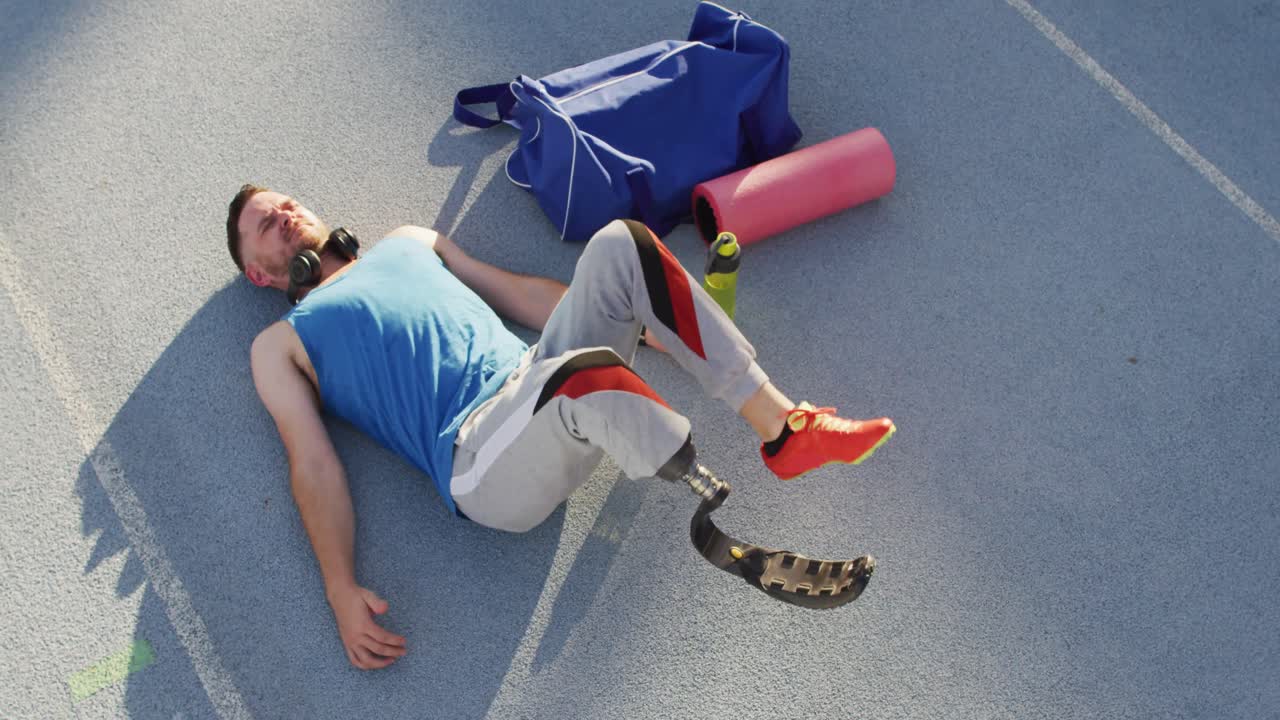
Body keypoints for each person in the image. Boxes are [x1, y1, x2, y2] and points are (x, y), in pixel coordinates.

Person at [226, 184, 896, 670]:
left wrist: (652, 322)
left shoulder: (407, 241)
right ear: (259, 273)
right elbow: (313, 465)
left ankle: (786, 429)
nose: (282, 216)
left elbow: (517, 294)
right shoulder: (280, 344)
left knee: (623, 243)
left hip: (545, 377)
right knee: (577, 374)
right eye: (263, 225)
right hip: (479, 457)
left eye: (285, 205)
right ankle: (708, 512)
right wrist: (339, 587)